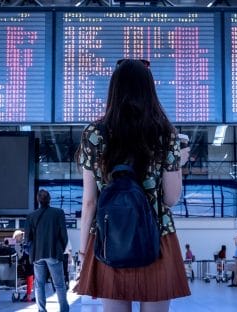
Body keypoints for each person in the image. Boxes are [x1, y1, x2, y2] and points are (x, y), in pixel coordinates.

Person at [74, 59, 191, 311]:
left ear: (114, 89)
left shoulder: (94, 133)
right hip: (157, 236)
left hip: (109, 236)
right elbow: (170, 198)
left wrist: (84, 251)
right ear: (149, 90)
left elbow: (89, 201)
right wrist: (178, 162)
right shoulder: (165, 132)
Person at [25, 189, 69, 312]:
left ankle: (42, 310)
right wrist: (60, 248)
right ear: (49, 199)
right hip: (54, 253)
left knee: (39, 285)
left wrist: (32, 252)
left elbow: (27, 239)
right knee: (59, 285)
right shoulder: (58, 213)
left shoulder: (31, 216)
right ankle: (64, 310)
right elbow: (64, 236)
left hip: (37, 254)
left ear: (38, 200)